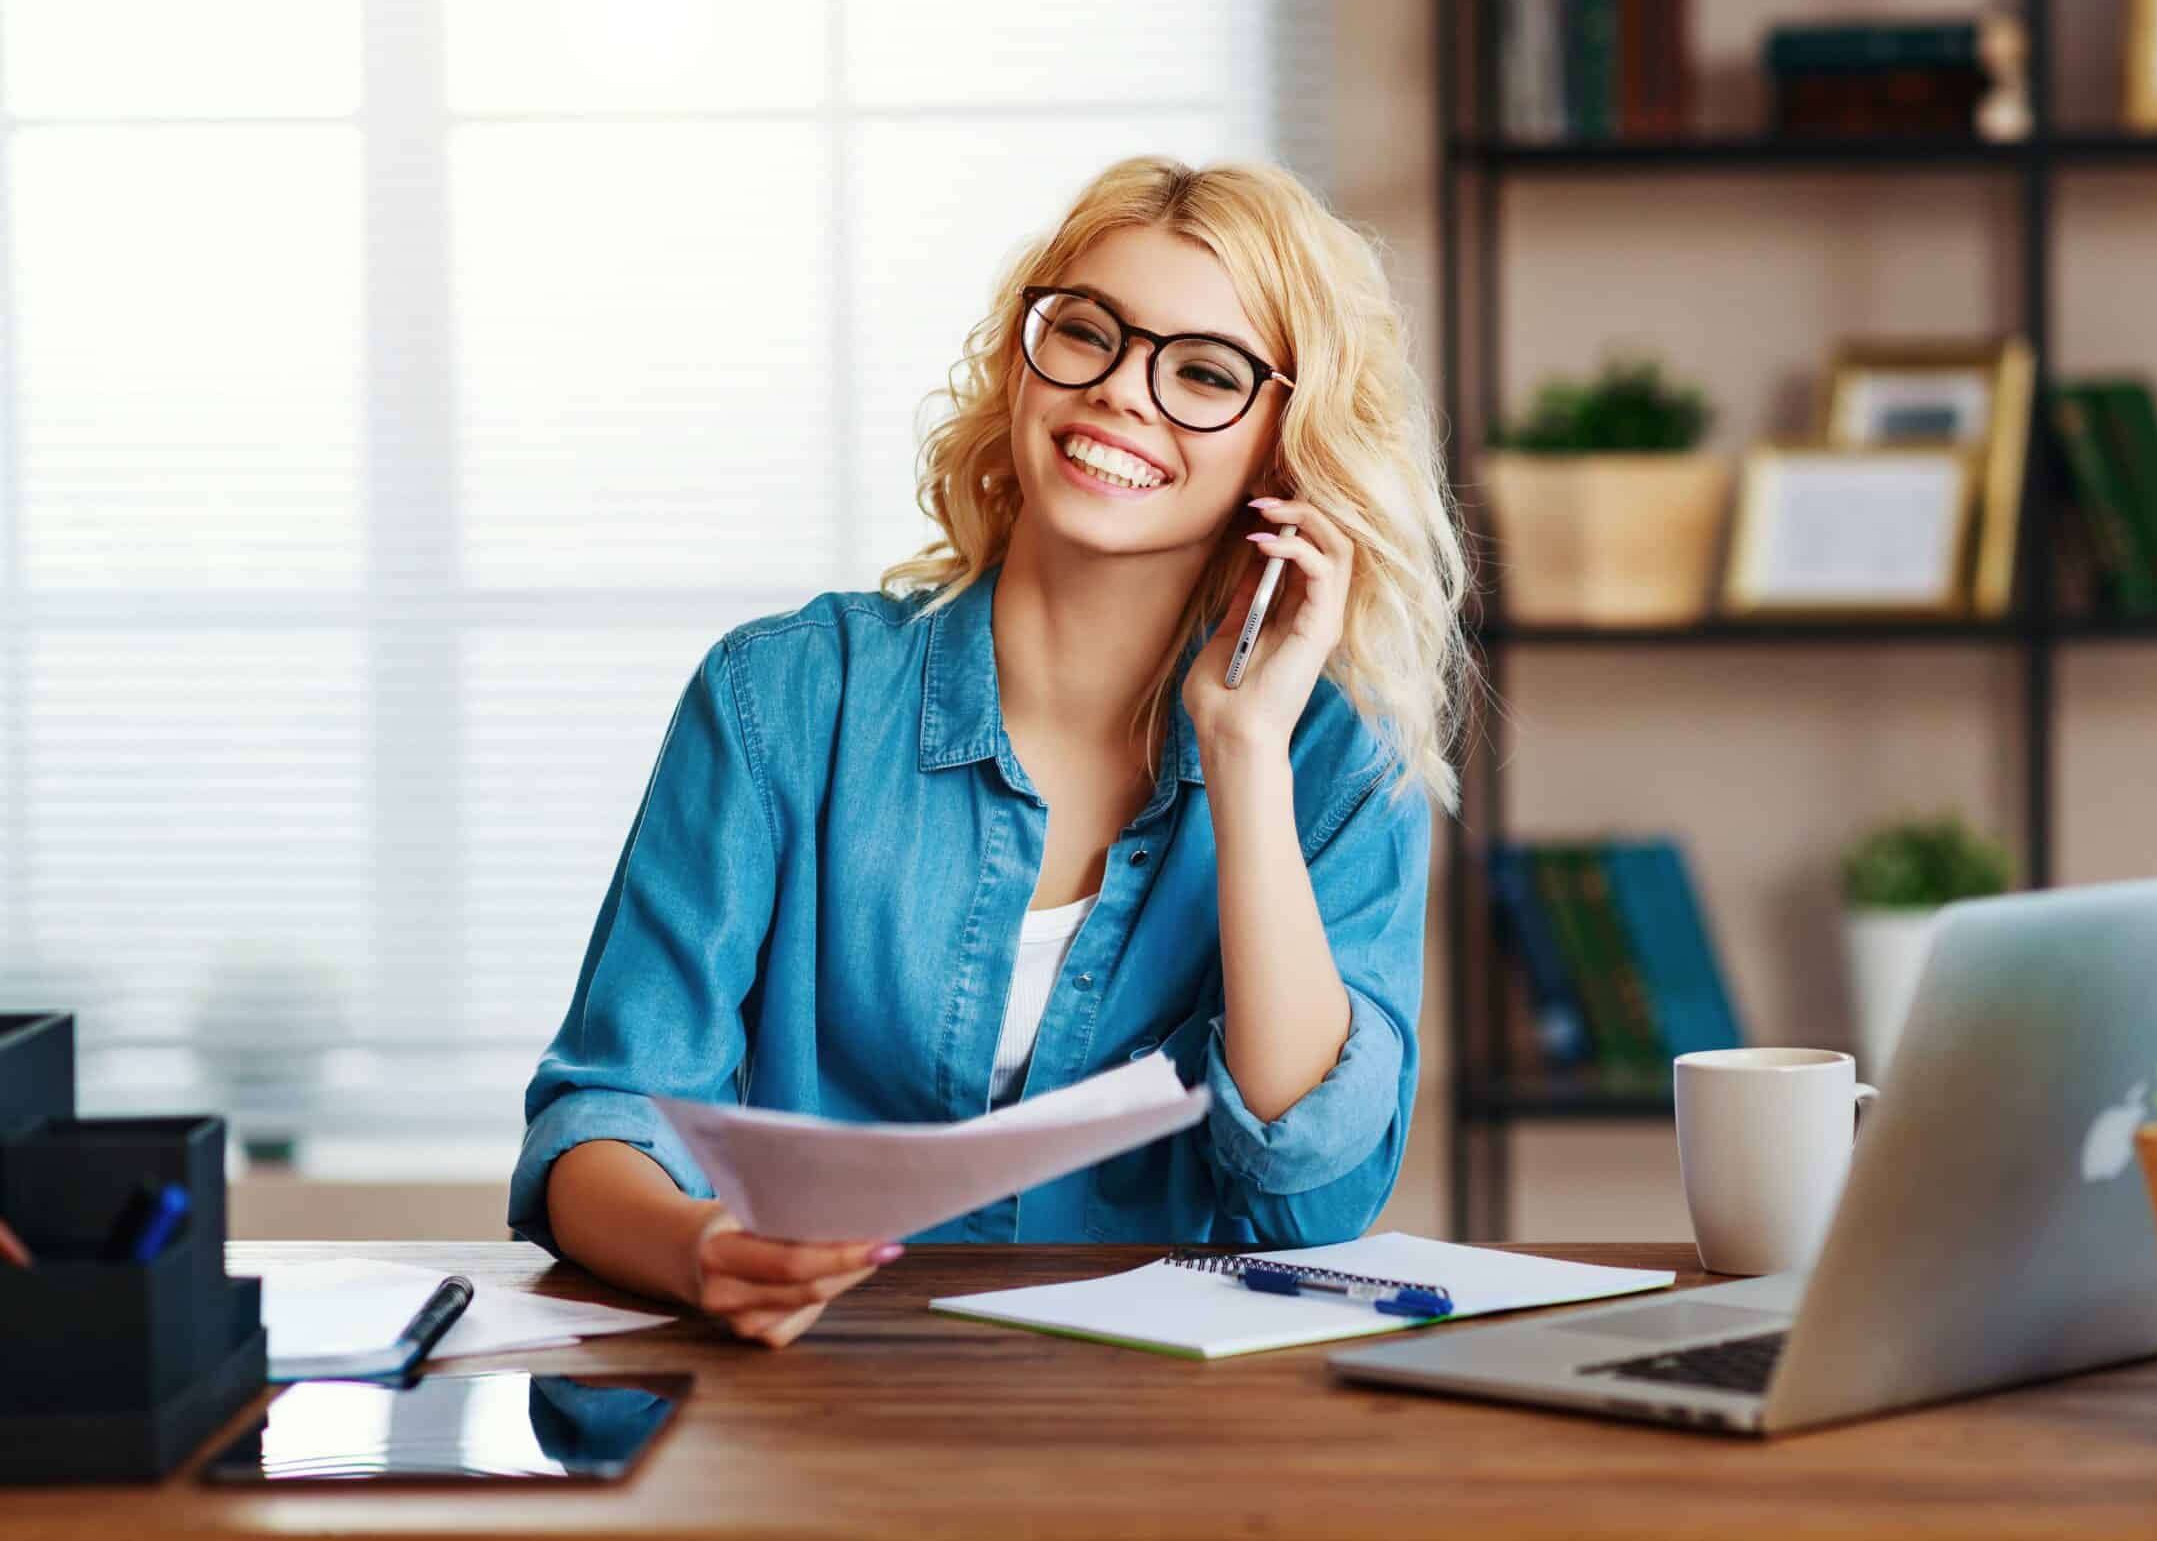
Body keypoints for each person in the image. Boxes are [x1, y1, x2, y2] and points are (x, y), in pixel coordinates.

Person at [505, 155, 1474, 1346]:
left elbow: (1314, 1190)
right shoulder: (783, 698)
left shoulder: (1333, 761)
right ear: (1024, 360)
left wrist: (1243, 751)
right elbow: (599, 1118)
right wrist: (703, 1250)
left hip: (1183, 1429)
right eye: (1087, 334)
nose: (1124, 391)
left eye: (1205, 372)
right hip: (827, 1396)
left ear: (1285, 446)